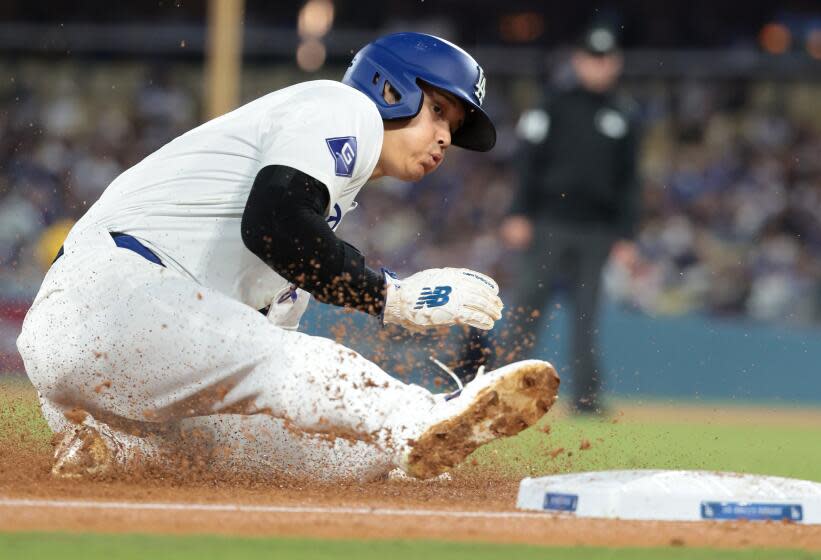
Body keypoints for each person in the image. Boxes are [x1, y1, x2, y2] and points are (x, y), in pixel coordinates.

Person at [16, 32, 558, 482]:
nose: (443, 138)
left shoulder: (326, 191)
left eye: (453, 127)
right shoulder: (342, 107)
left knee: (339, 458)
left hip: (118, 364)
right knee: (289, 363)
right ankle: (421, 418)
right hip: (114, 299)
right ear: (389, 87)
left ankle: (110, 449)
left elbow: (276, 284)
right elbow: (274, 222)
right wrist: (391, 295)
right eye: (438, 110)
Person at [458, 25, 640, 413]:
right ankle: (499, 393)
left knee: (587, 317)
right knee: (527, 310)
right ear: (579, 60)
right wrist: (519, 212)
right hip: (549, 223)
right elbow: (528, 164)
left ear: (616, 64)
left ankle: (588, 399)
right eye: (592, 58)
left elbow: (629, 181)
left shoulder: (624, 114)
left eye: (605, 59)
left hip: (597, 229)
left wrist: (626, 235)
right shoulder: (552, 105)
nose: (598, 66)